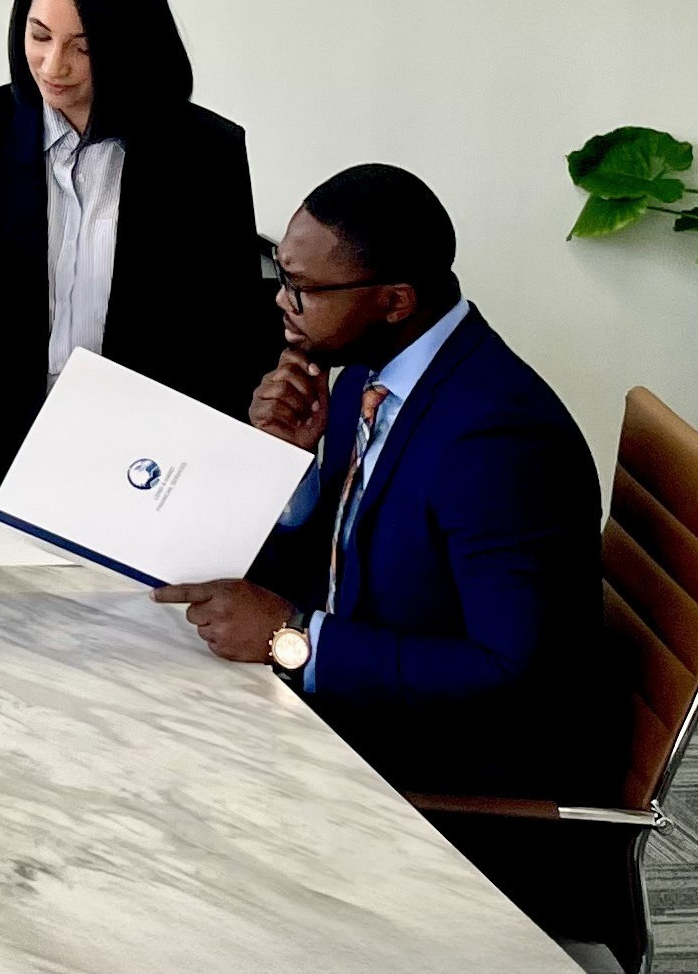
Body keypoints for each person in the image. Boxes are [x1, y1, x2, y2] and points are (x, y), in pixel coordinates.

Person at [152, 164, 608, 801]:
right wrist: (290, 468)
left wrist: (293, 640)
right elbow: (346, 559)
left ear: (394, 300)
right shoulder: (364, 378)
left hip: (449, 766)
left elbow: (510, 670)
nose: (281, 301)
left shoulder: (498, 443)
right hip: (368, 701)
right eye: (280, 273)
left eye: (302, 288)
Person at [0, 0, 273, 502]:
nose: (53, 65)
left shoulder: (205, 153)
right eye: (39, 36)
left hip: (145, 463)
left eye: (83, 46)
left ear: (130, 43)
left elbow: (225, 334)